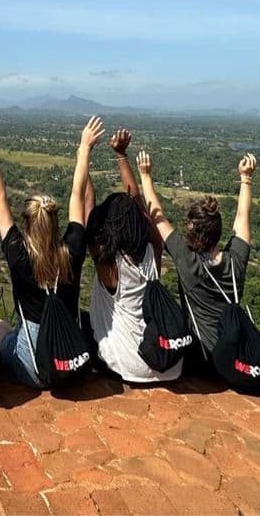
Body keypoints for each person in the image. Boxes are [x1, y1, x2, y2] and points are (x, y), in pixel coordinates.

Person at [0, 119, 90, 389]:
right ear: (55, 223)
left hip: (32, 369)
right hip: (71, 362)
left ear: (27, 223)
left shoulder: (19, 253)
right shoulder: (71, 251)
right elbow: (77, 195)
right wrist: (85, 147)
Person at [82, 121, 183, 383]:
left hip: (131, 366)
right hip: (168, 363)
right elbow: (139, 207)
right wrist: (121, 156)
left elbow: (86, 203)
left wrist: (84, 153)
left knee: (78, 323)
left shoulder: (109, 265)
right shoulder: (153, 251)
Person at [138, 150, 257, 368]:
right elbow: (242, 218)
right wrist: (246, 179)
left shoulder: (188, 260)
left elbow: (158, 218)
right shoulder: (235, 261)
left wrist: (145, 176)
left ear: (191, 232)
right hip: (234, 358)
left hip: (202, 359)